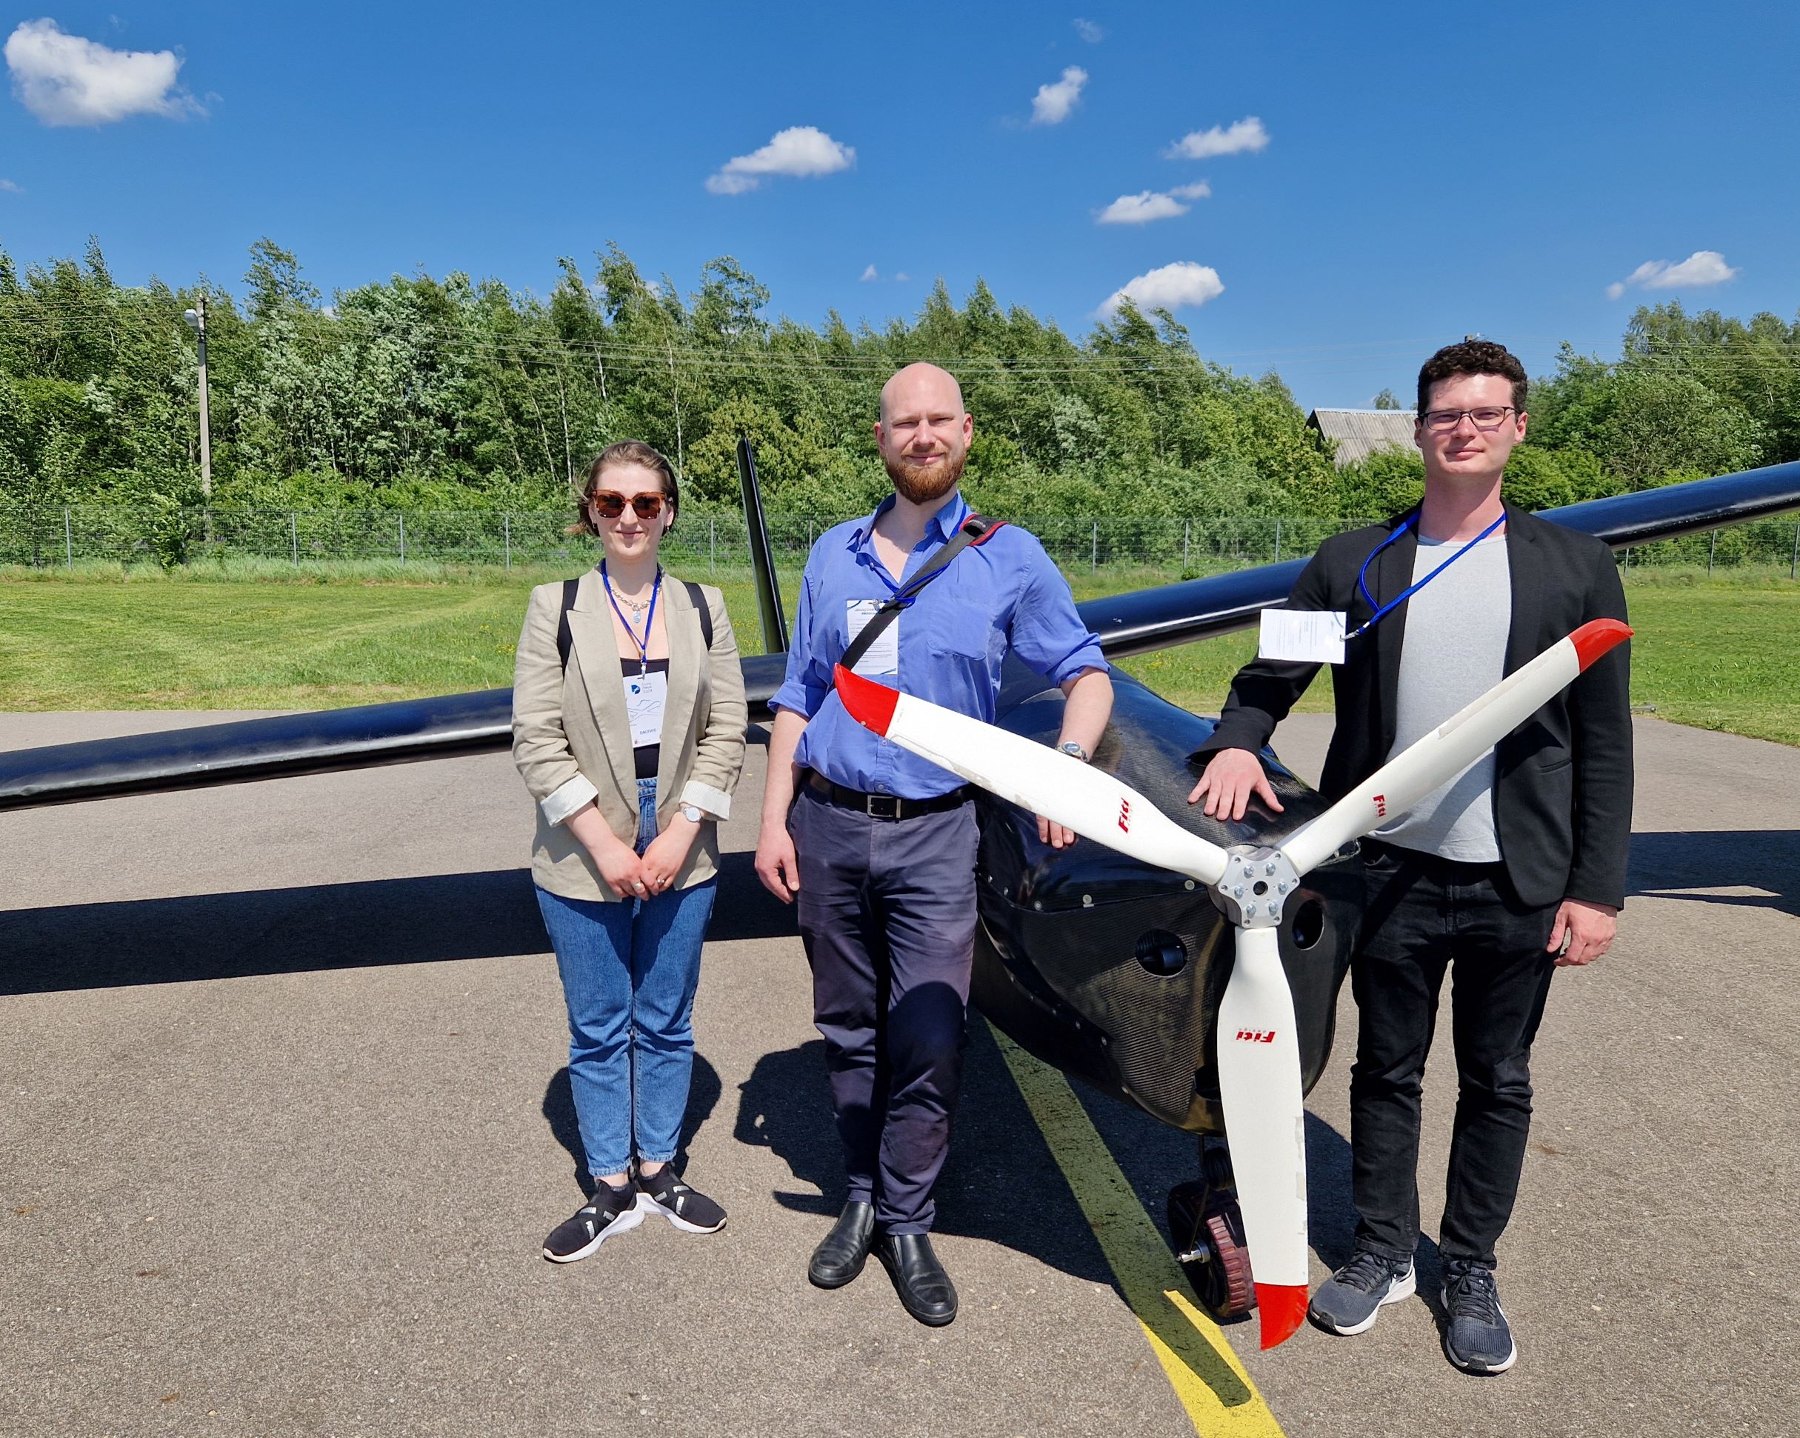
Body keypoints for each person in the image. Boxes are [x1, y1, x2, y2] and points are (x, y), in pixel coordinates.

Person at [1190, 340, 1632, 1375]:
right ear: (1420, 429)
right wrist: (1236, 742)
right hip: (1387, 872)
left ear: (1518, 426)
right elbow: (1271, 676)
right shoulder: (1354, 561)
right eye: (1445, 414)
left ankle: (1469, 1267)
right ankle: (1384, 1249)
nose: (1464, 429)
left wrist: (1596, 890)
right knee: (1384, 1070)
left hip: (1520, 877)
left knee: (1498, 1080)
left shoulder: (1576, 566)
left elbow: (1604, 743)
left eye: (1486, 413)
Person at [754, 363, 1113, 1326]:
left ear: (965, 431)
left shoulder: (1010, 558)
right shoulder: (832, 554)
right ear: (880, 438)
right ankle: (861, 1197)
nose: (923, 435)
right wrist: (773, 819)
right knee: (847, 1026)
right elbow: (801, 694)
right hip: (830, 823)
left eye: (938, 420)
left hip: (939, 834)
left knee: (928, 1033)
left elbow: (1084, 673)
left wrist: (1066, 766)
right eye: (904, 422)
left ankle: (909, 1219)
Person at [513, 439, 747, 1263]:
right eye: (610, 502)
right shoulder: (555, 606)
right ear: (590, 512)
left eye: (645, 502)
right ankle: (609, 1182)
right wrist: (605, 844)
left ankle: (659, 1169)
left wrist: (681, 829)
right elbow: (537, 737)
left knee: (667, 1019)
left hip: (683, 829)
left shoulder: (705, 608)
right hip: (582, 840)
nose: (628, 517)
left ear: (668, 512)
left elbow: (727, 729)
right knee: (599, 1024)